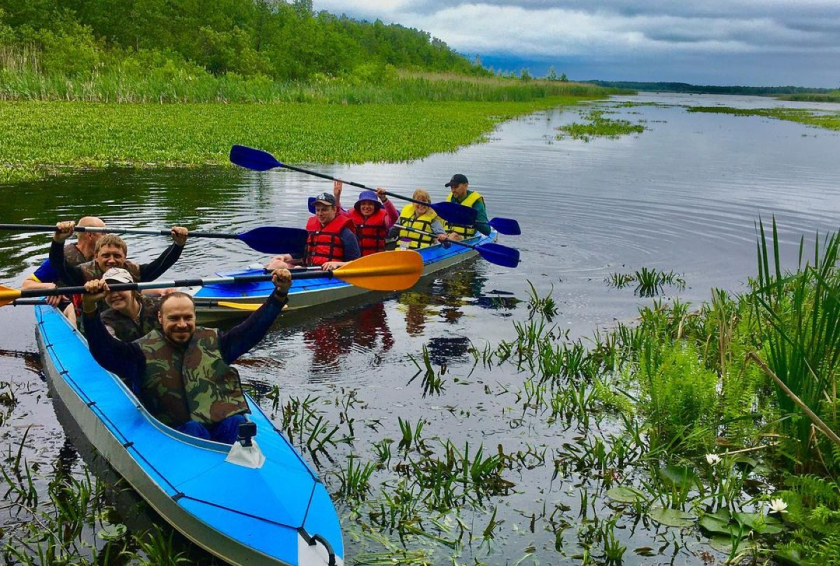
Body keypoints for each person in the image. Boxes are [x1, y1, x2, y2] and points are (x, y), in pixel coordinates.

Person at [81, 269, 292, 444]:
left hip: (219, 424)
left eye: (187, 317)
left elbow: (252, 329)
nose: (181, 324)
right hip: (175, 433)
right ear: (160, 318)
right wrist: (89, 309)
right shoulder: (139, 353)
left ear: (195, 317)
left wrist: (279, 295)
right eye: (174, 318)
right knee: (194, 429)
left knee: (236, 422)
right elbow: (105, 351)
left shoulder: (216, 341)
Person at [50, 221, 188, 286]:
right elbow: (58, 265)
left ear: (125, 257)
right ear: (96, 257)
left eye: (117, 256)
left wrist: (178, 245)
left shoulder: (135, 271)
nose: (111, 261)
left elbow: (161, 264)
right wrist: (58, 241)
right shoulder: (81, 274)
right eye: (105, 255)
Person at [22, 216, 106, 323]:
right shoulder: (61, 258)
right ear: (89, 235)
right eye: (103, 233)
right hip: (68, 308)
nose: (107, 236)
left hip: (93, 304)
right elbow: (26, 285)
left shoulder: (104, 258)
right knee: (72, 309)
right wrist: (50, 287)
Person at [266, 192, 360, 271]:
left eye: (324, 210)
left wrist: (337, 264)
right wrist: (285, 257)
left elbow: (356, 263)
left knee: (298, 268)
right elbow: (302, 253)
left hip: (329, 274)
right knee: (277, 264)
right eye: (317, 210)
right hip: (309, 270)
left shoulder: (347, 234)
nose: (319, 214)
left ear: (334, 209)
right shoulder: (311, 231)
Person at [334, 181, 398, 256]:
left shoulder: (383, 217)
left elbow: (394, 217)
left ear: (375, 206)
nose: (366, 207)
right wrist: (337, 197)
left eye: (370, 204)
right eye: (363, 204)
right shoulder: (351, 215)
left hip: (376, 257)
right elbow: (337, 214)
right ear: (359, 206)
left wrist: (384, 199)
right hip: (355, 257)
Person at [97, 268, 162, 342]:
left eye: (119, 288)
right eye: (109, 290)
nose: (114, 294)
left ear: (132, 289)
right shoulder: (105, 321)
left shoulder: (159, 306)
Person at [443, 174, 491, 240]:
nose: (453, 190)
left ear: (466, 186)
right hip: (446, 237)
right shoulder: (449, 200)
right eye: (451, 187)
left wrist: (472, 220)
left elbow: (487, 231)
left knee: (454, 236)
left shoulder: (476, 203)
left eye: (456, 187)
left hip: (466, 241)